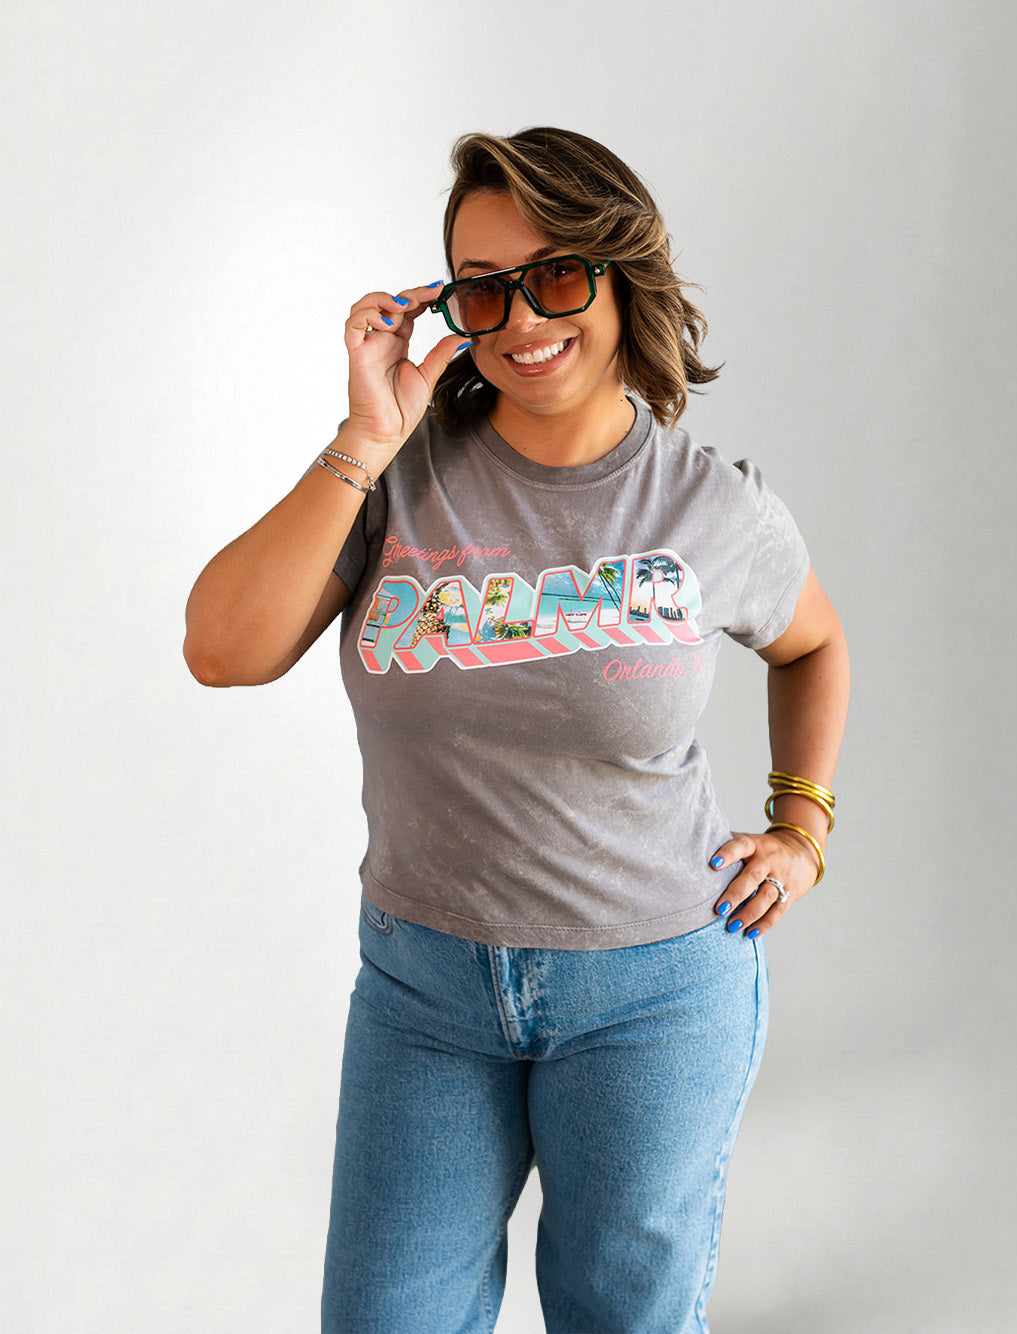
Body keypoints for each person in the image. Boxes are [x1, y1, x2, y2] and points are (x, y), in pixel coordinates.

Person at [184, 126, 849, 1334]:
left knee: (618, 1318)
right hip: (423, 989)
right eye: (481, 287)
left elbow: (811, 644)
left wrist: (800, 826)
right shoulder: (397, 477)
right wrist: (364, 438)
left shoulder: (713, 507)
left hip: (654, 989)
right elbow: (222, 648)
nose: (521, 319)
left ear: (619, 275)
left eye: (555, 275)